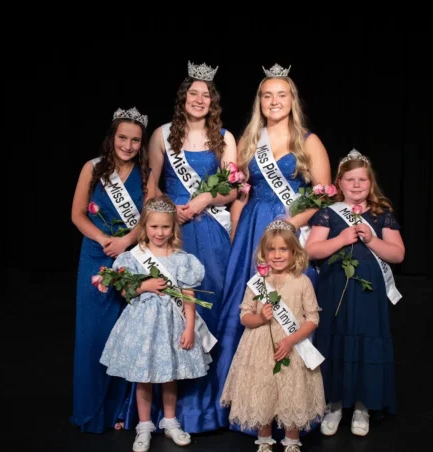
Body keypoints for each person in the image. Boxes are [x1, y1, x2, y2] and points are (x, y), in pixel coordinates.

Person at [216, 63, 331, 429]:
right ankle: (251, 410)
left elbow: (324, 196)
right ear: (260, 102)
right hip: (252, 231)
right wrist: (237, 234)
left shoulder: (308, 141)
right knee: (251, 314)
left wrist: (288, 226)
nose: (274, 101)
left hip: (289, 233)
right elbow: (239, 195)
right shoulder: (250, 139)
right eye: (268, 95)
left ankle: (289, 413)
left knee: (289, 315)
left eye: (282, 94)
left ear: (292, 100)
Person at [147, 60, 237, 432]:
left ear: (212, 101)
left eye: (206, 95)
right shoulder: (162, 135)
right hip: (175, 233)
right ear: (183, 98)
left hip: (212, 230)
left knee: (210, 307)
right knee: (173, 312)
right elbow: (151, 186)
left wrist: (203, 201)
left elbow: (232, 189)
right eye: (193, 93)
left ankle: (212, 407)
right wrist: (170, 211)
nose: (199, 99)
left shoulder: (225, 138)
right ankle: (173, 411)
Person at [99, 195, 213, 452]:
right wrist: (145, 285)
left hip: (173, 325)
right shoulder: (134, 257)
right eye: (154, 226)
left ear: (173, 227)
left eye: (165, 227)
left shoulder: (182, 259)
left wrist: (189, 327)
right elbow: (124, 291)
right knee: (144, 377)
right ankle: (144, 425)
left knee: (170, 375)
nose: (159, 232)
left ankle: (170, 421)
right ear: (144, 227)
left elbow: (189, 298)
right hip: (143, 326)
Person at [305, 149, 405, 437]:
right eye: (351, 179)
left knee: (365, 342)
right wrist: (340, 239)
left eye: (362, 179)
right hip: (335, 290)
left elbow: (397, 254)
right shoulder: (328, 213)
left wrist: (372, 240)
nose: (357, 185)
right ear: (339, 182)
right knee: (335, 341)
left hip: (369, 295)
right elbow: (311, 250)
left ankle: (363, 406)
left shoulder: (381, 214)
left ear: (370, 182)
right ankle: (334, 405)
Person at [70, 106, 156, 433]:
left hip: (129, 258)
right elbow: (78, 214)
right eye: (123, 137)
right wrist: (105, 238)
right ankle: (91, 409)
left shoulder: (146, 173)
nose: (128, 145)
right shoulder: (92, 169)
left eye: (135, 140)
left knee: (126, 336)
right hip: (95, 256)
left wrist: (127, 241)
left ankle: (123, 410)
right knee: (92, 336)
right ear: (112, 137)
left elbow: (147, 218)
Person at [220, 219, 325, 452]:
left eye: (283, 249)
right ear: (264, 253)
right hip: (259, 347)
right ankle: (264, 441)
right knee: (263, 391)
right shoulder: (258, 283)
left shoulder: (302, 281)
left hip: (292, 346)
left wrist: (290, 340)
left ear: (294, 252)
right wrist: (261, 318)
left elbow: (313, 319)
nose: (277, 255)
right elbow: (244, 315)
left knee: (291, 391)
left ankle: (291, 441)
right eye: (271, 249)